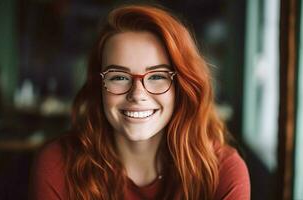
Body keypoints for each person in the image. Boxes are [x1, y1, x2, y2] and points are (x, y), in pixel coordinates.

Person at [29, 4, 250, 200]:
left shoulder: (223, 171)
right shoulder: (58, 164)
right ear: (99, 85)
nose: (137, 94)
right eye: (119, 77)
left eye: (157, 76)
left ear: (182, 86)